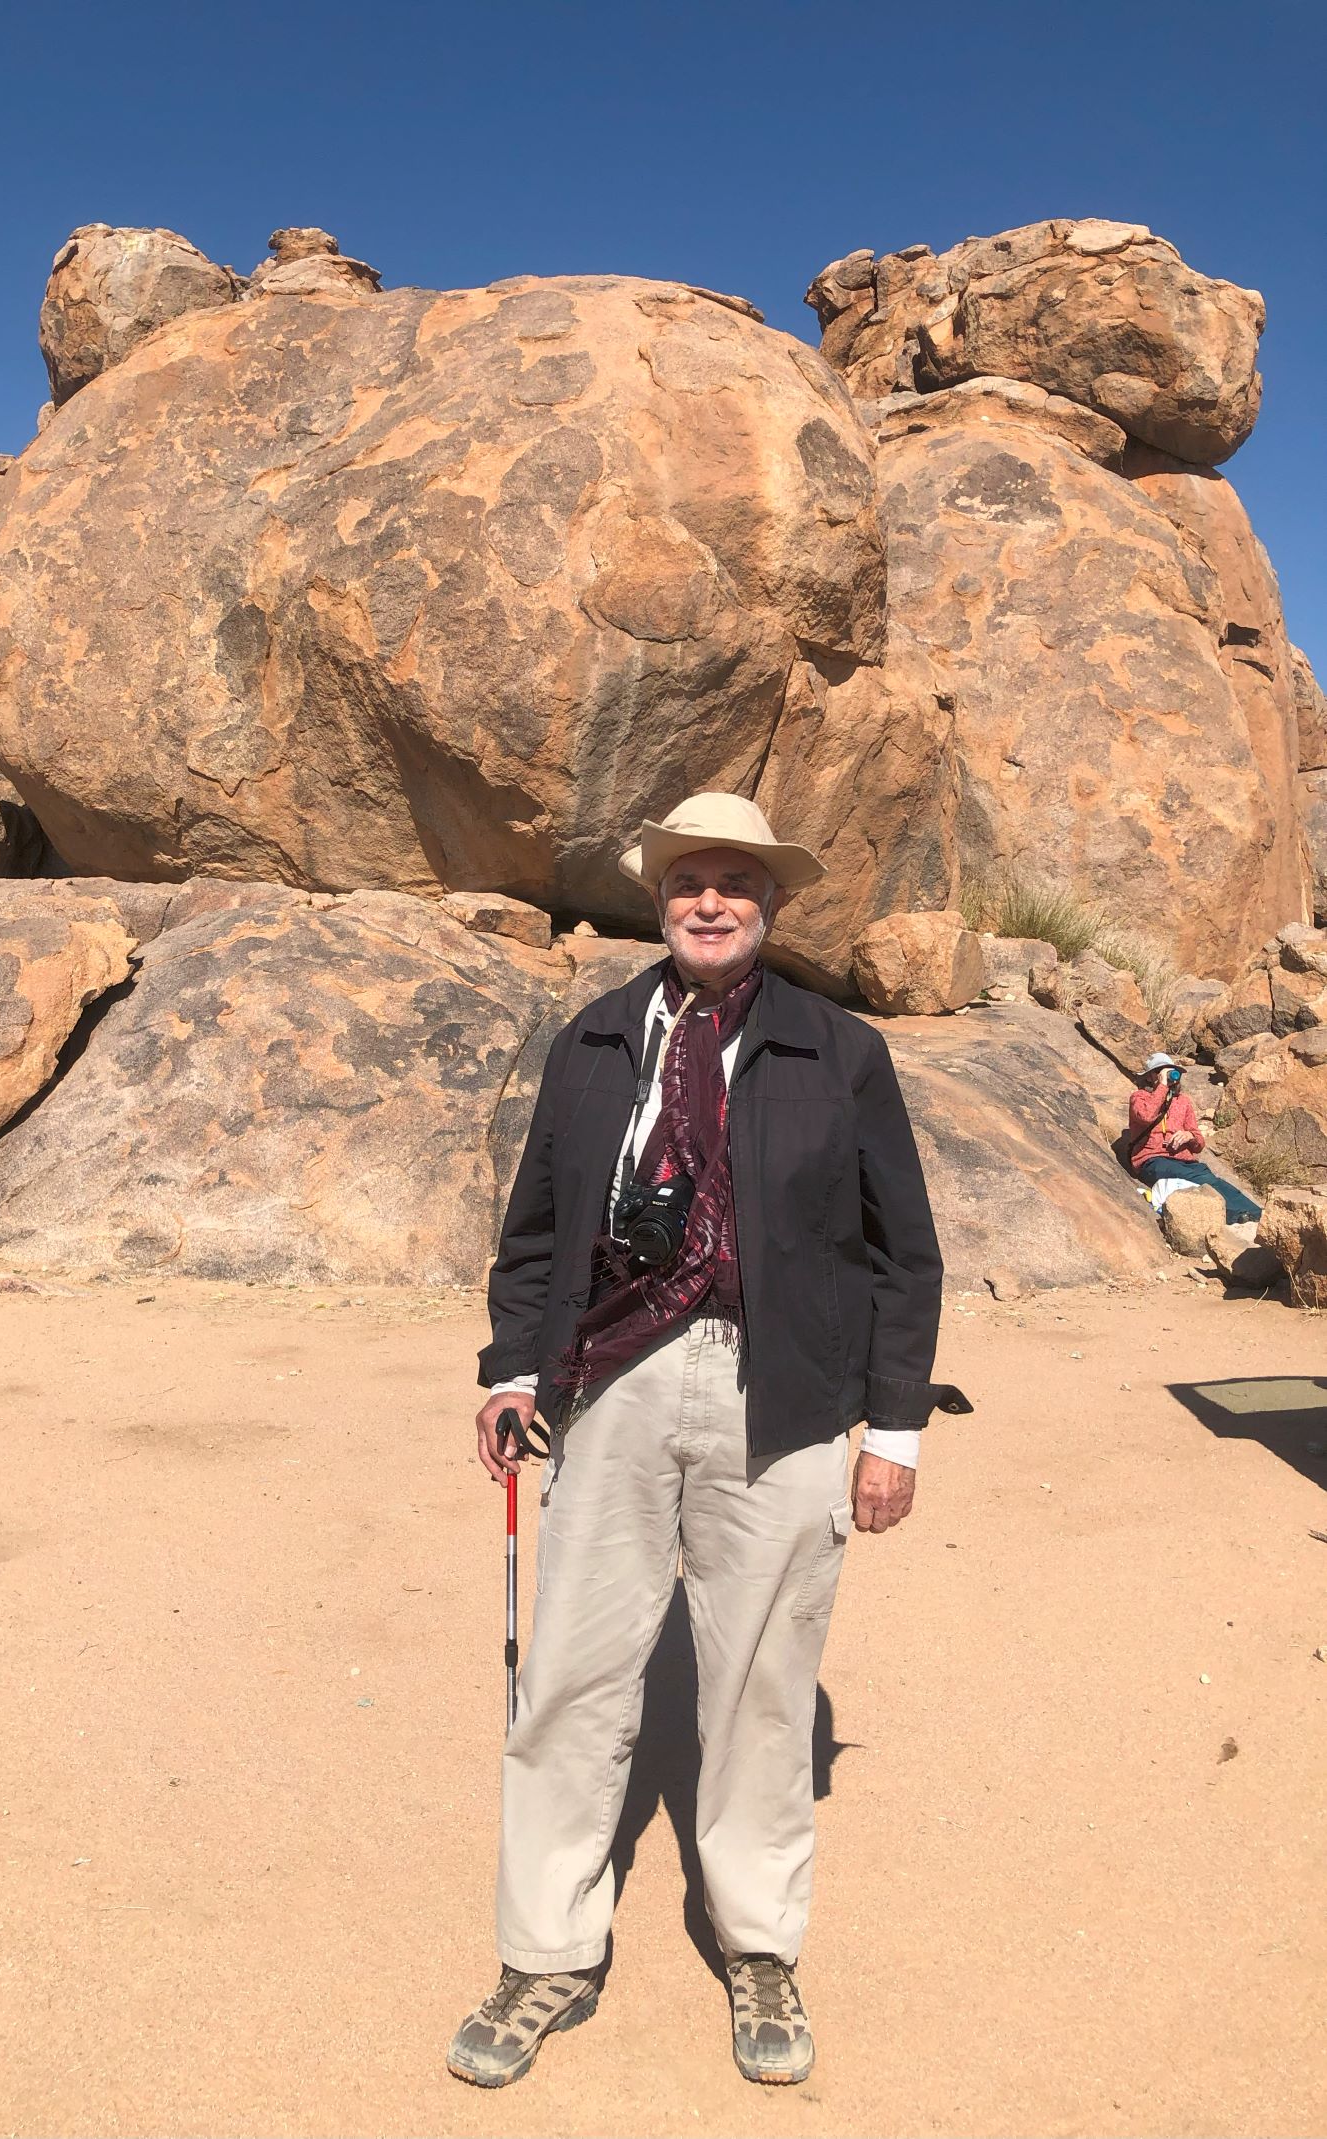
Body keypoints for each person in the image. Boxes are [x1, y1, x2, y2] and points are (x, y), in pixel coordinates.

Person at [447, 792, 968, 2091]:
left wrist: (891, 1428)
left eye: (737, 880)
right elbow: (532, 1230)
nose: (712, 900)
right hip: (613, 1379)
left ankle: (758, 1937)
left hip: (783, 1393)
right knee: (567, 1666)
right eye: (691, 880)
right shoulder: (595, 1040)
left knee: (762, 1680)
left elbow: (904, 1255)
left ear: (771, 902)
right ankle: (547, 1946)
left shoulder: (837, 1053)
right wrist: (514, 1370)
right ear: (664, 896)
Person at [1127, 1051, 1261, 1223]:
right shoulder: (1139, 1097)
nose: (1168, 1074)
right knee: (1197, 1180)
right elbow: (1146, 1116)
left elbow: (1199, 1144)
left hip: (1184, 1161)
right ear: (1149, 1076)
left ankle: (1255, 1213)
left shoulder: (1182, 1101)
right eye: (1160, 1070)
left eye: (1170, 1070)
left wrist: (1189, 1135)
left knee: (1213, 1179)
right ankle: (1235, 1215)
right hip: (1153, 1160)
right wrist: (1162, 1086)